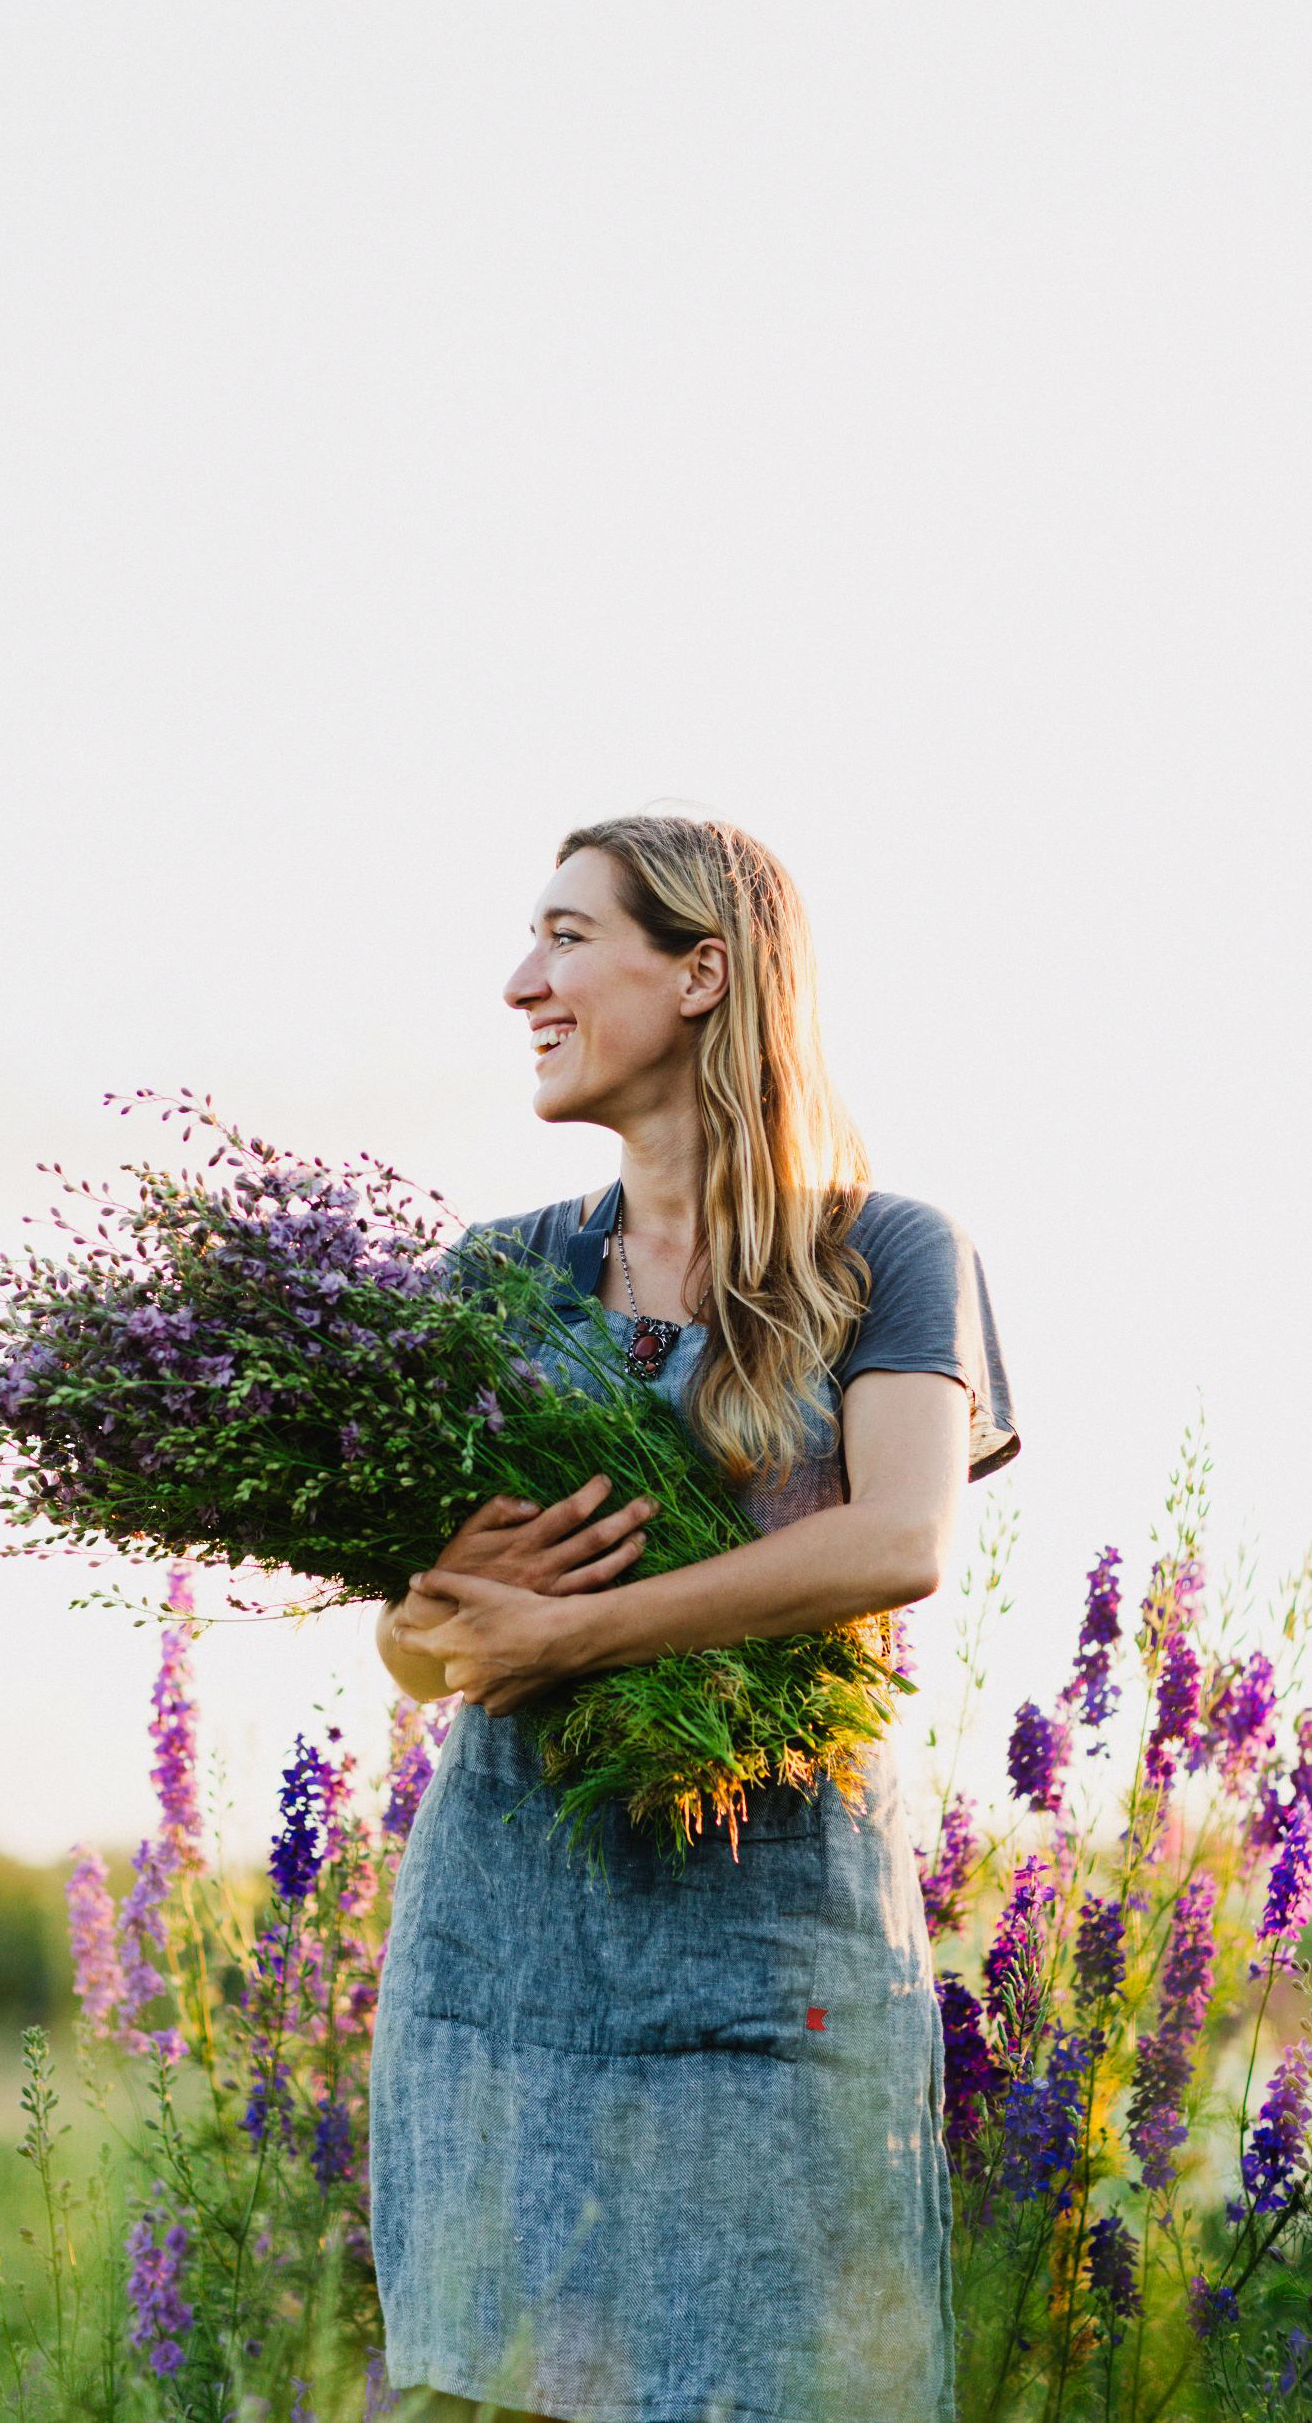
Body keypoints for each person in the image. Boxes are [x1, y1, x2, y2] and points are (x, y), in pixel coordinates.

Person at [368, 814, 1019, 2423]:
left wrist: (573, 1631)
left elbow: (894, 1538)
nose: (526, 979)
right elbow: (412, 1645)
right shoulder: (492, 1279)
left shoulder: (885, 1253)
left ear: (705, 973)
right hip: (508, 1954)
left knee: (786, 2382)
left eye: (569, 937)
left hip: (767, 1951)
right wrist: (447, 1596)